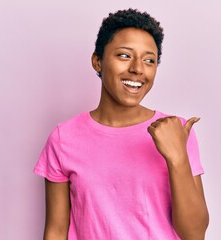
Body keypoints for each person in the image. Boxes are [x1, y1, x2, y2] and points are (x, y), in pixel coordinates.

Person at [34, 8, 209, 240]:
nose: (137, 68)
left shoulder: (176, 130)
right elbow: (56, 231)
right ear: (98, 61)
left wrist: (177, 158)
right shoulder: (64, 138)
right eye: (124, 55)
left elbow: (194, 235)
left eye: (149, 60)